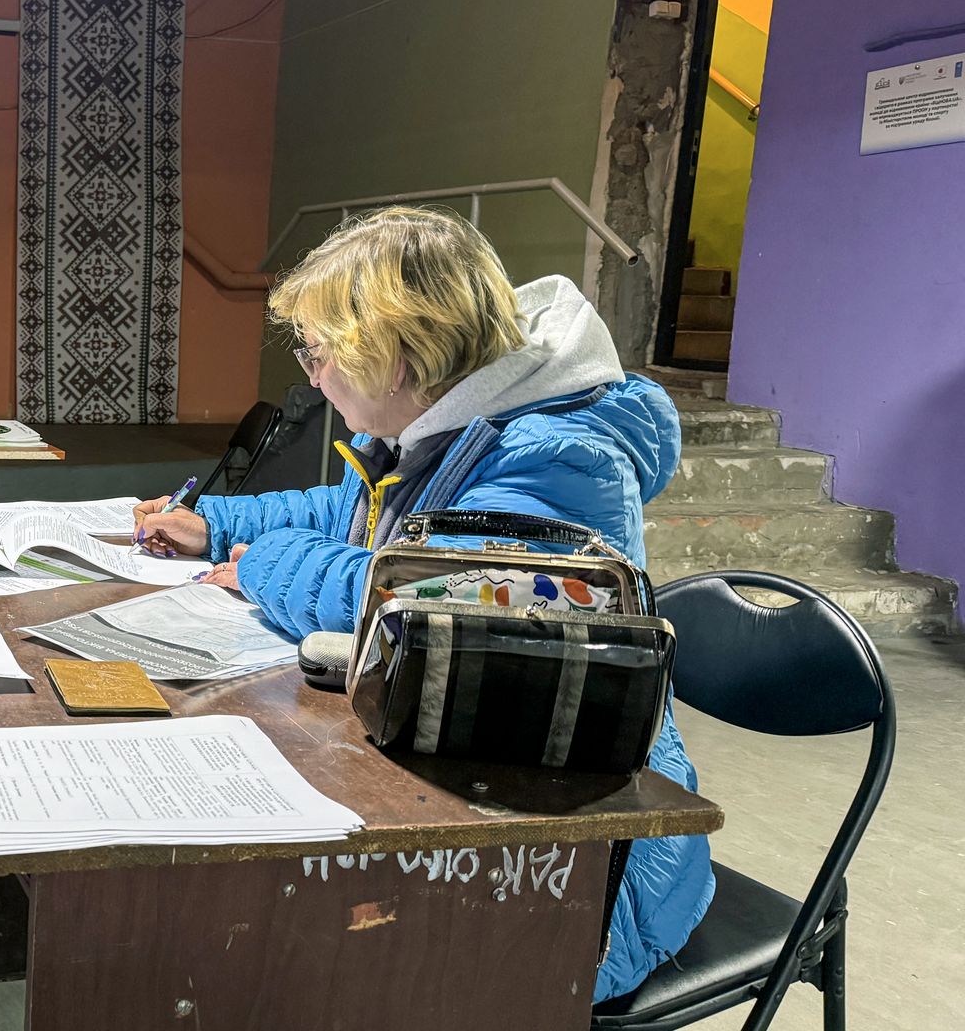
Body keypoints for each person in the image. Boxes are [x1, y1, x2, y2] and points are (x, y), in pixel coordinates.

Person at [132, 206, 712, 1001]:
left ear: (393, 358)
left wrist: (261, 562)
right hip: (477, 798)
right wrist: (217, 525)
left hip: (577, 875)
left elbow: (422, 604)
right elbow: (347, 519)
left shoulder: (555, 458)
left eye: (319, 351)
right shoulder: (441, 430)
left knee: (294, 954)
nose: (311, 375)